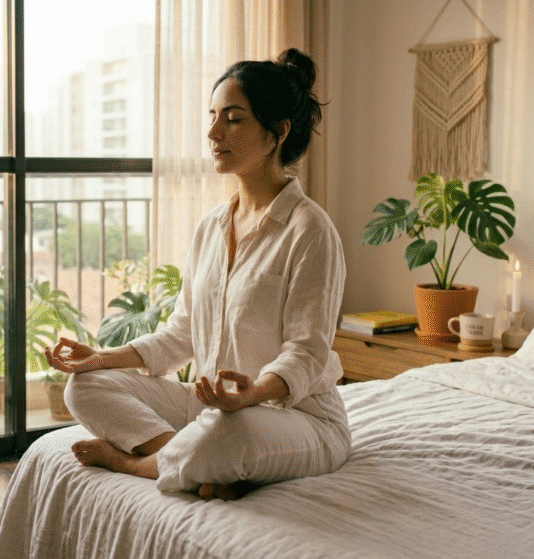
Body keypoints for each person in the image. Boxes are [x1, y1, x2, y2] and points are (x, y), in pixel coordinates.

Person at [45, 48, 350, 501]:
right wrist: (102, 358)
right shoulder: (211, 227)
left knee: (230, 431)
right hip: (211, 405)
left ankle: (133, 462)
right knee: (84, 387)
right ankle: (195, 462)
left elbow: (306, 353)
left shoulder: (311, 230)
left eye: (233, 119)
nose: (213, 132)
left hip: (296, 417)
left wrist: (250, 395)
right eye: (212, 116)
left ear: (278, 133)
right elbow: (182, 332)